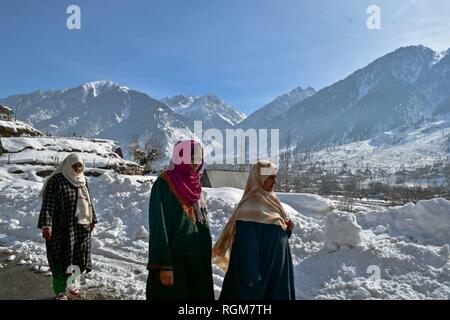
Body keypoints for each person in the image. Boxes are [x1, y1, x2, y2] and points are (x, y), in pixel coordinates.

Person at [213, 160, 295, 300]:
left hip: (276, 272)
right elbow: (246, 246)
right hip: (259, 276)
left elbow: (270, 235)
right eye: (270, 177)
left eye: (275, 177)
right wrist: (251, 275)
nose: (274, 182)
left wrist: (286, 230)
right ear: (260, 178)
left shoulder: (272, 200)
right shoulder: (250, 206)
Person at [146, 140, 214, 300]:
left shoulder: (196, 185)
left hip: (198, 263)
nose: (196, 163)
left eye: (199, 158)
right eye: (191, 157)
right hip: (175, 263)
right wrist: (164, 266)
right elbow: (158, 227)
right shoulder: (163, 184)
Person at [38, 153, 97, 300]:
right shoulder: (56, 181)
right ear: (67, 165)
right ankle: (60, 291)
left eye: (80, 165)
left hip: (80, 229)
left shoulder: (83, 181)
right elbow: (48, 204)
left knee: (77, 257)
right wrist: (47, 225)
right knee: (60, 259)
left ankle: (72, 286)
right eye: (74, 165)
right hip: (61, 229)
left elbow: (89, 203)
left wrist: (92, 220)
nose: (77, 168)